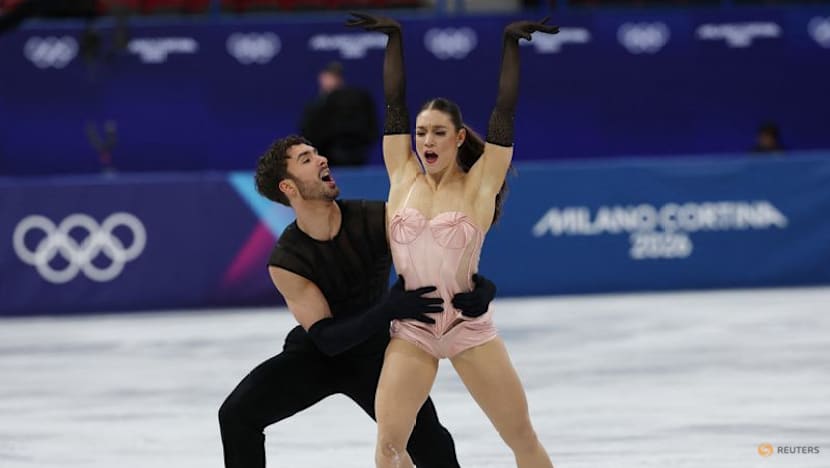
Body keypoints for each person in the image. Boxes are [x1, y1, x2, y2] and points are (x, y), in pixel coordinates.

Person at [346, 12, 559, 468]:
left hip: (468, 330)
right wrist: (395, 39)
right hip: (413, 332)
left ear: (459, 138)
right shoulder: (401, 175)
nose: (426, 139)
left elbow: (504, 112)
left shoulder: (480, 185)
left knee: (521, 438)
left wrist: (509, 46)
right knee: (389, 447)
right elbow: (394, 103)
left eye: (438, 132)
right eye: (421, 132)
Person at [218, 134, 499, 467]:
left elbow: (441, 259)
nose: (322, 159)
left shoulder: (376, 218)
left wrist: (482, 287)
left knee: (430, 442)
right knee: (236, 415)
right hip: (316, 357)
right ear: (288, 188)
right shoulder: (287, 260)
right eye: (306, 159)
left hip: (378, 355)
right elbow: (326, 339)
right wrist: (389, 309)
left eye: (317, 152)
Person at [299, 61, 379, 166]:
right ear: (321, 77)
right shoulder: (314, 107)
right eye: (330, 76)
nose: (333, 80)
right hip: (324, 159)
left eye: (336, 76)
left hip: (355, 159)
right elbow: (307, 134)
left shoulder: (355, 102)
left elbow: (369, 128)